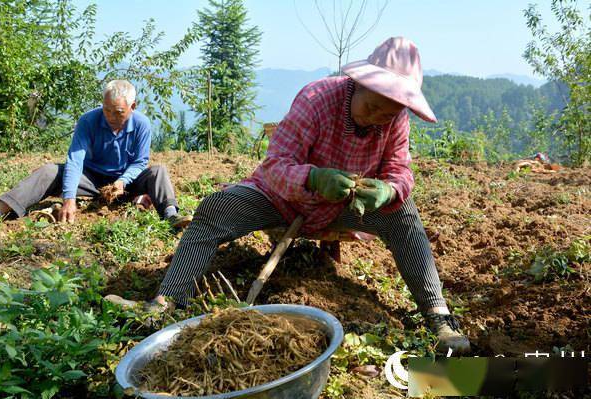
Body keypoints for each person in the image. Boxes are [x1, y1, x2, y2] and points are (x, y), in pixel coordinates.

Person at [109, 38, 471, 354]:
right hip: (280, 199)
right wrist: (313, 177)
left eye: (388, 112)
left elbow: (401, 170)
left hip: (343, 208)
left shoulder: (395, 119)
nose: (379, 118)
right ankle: (166, 300)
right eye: (373, 106)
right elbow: (277, 164)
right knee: (217, 208)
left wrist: (389, 189)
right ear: (357, 84)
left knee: (403, 214)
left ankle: (438, 316)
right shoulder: (318, 98)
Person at [0, 80, 191, 230]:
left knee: (158, 171)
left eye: (118, 112)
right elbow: (75, 160)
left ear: (133, 107)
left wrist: (122, 181)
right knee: (49, 171)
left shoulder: (142, 124)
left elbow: (140, 162)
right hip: (90, 180)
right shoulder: (88, 120)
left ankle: (170, 214)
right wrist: (69, 199)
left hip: (126, 184)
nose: (111, 117)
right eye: (106, 110)